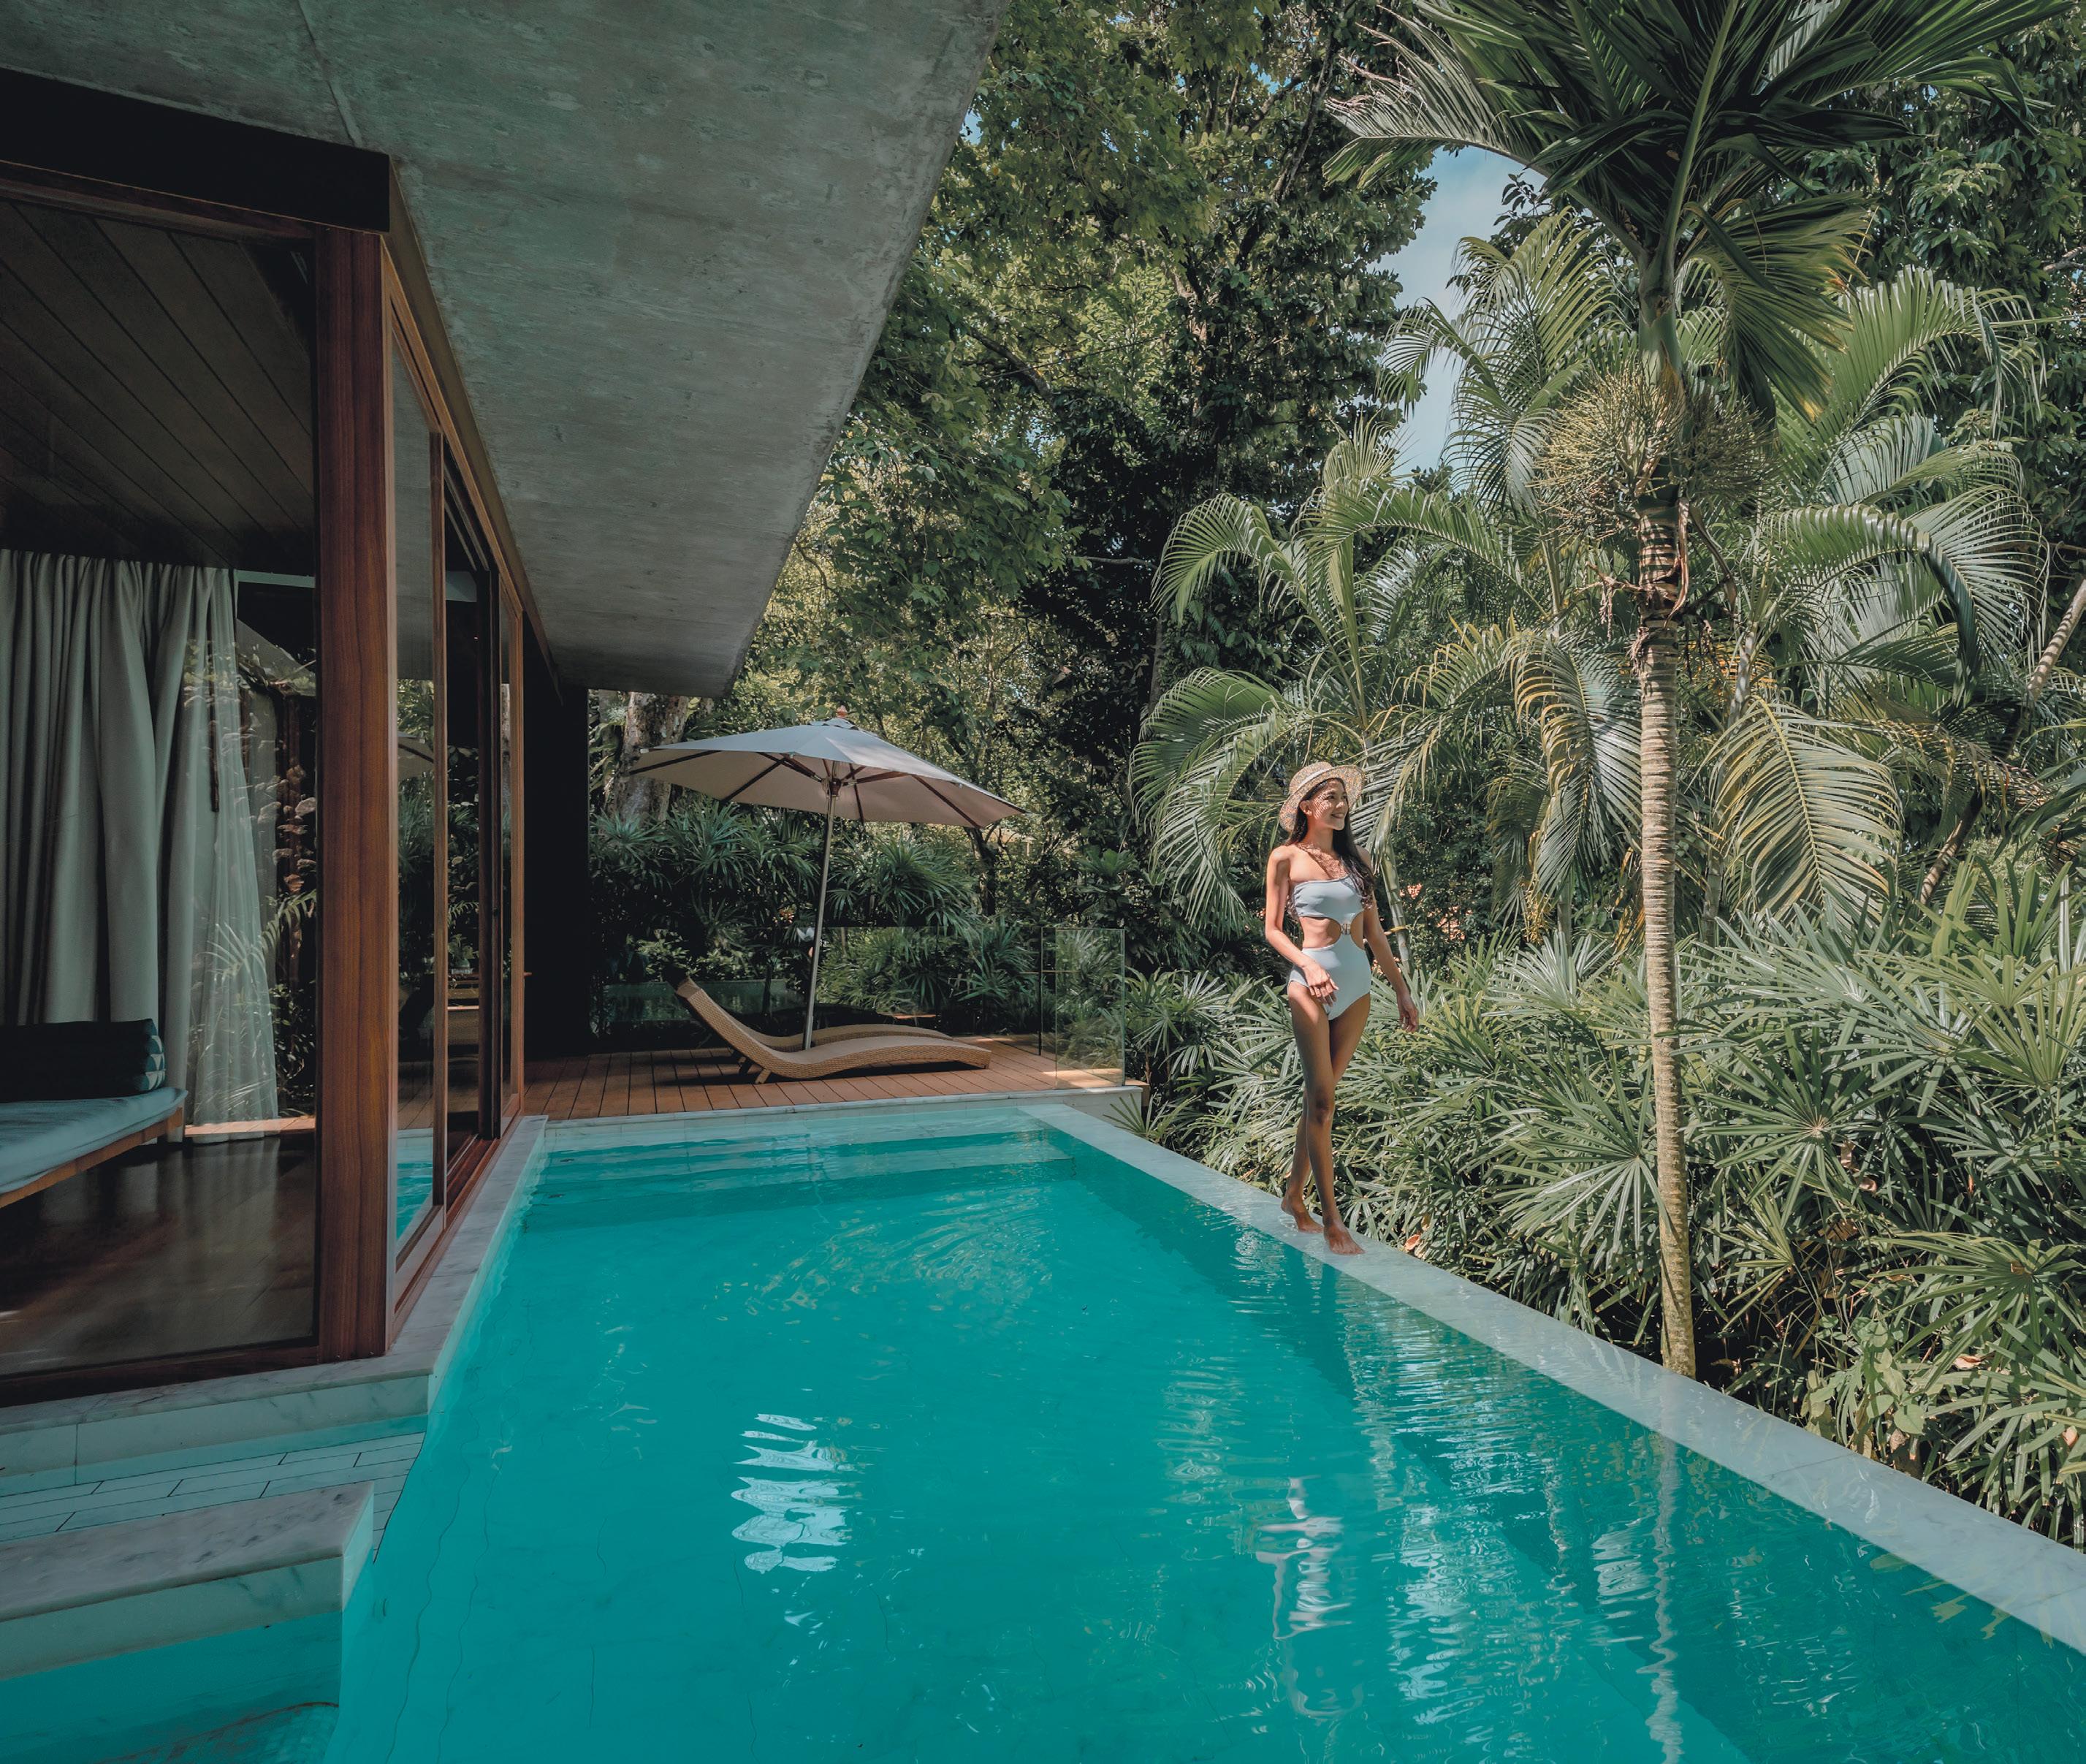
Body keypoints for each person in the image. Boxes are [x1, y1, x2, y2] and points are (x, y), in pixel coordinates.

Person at [1263, 762, 1420, 1253]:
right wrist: (1308, 966)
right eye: (1329, 797)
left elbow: (1374, 934)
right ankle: (1332, 1220)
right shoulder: (1285, 857)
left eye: (1342, 798)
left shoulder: (1358, 860)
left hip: (1356, 990)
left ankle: (1292, 1195)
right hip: (1309, 986)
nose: (1340, 805)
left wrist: (1401, 990)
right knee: (1322, 1102)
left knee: (1321, 1100)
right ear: (1306, 806)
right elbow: (1272, 930)